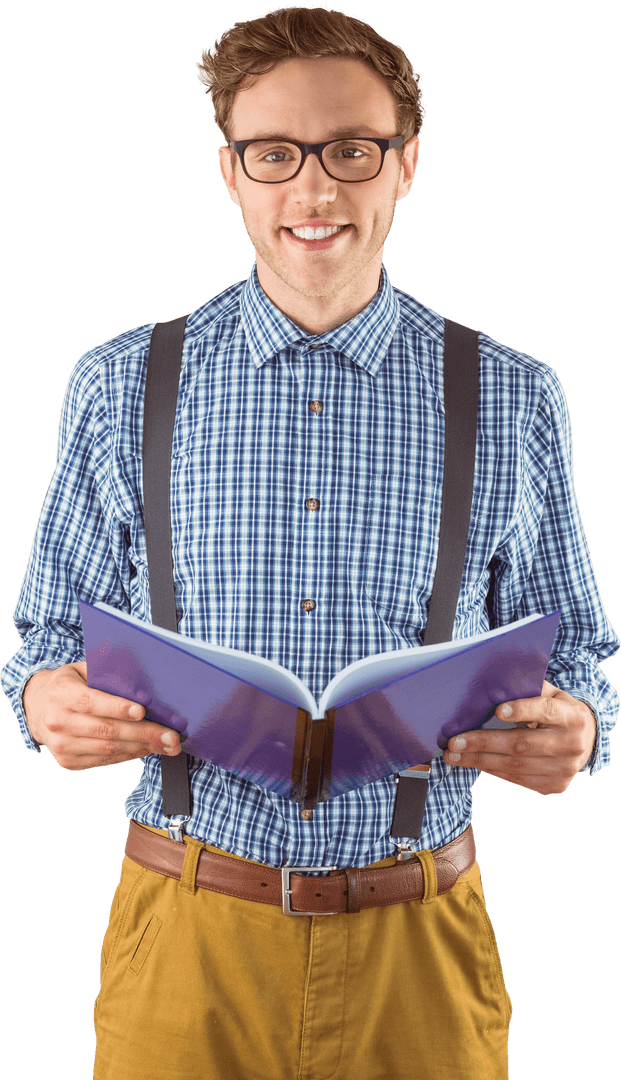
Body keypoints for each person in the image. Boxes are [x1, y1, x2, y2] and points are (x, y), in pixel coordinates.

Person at [1, 6, 618, 1079]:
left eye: (351, 150)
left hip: (421, 941)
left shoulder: (514, 395)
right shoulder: (119, 382)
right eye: (275, 153)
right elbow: (46, 638)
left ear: (405, 165)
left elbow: (582, 657)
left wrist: (587, 727)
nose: (315, 189)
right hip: (184, 933)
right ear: (231, 173)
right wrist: (40, 701)